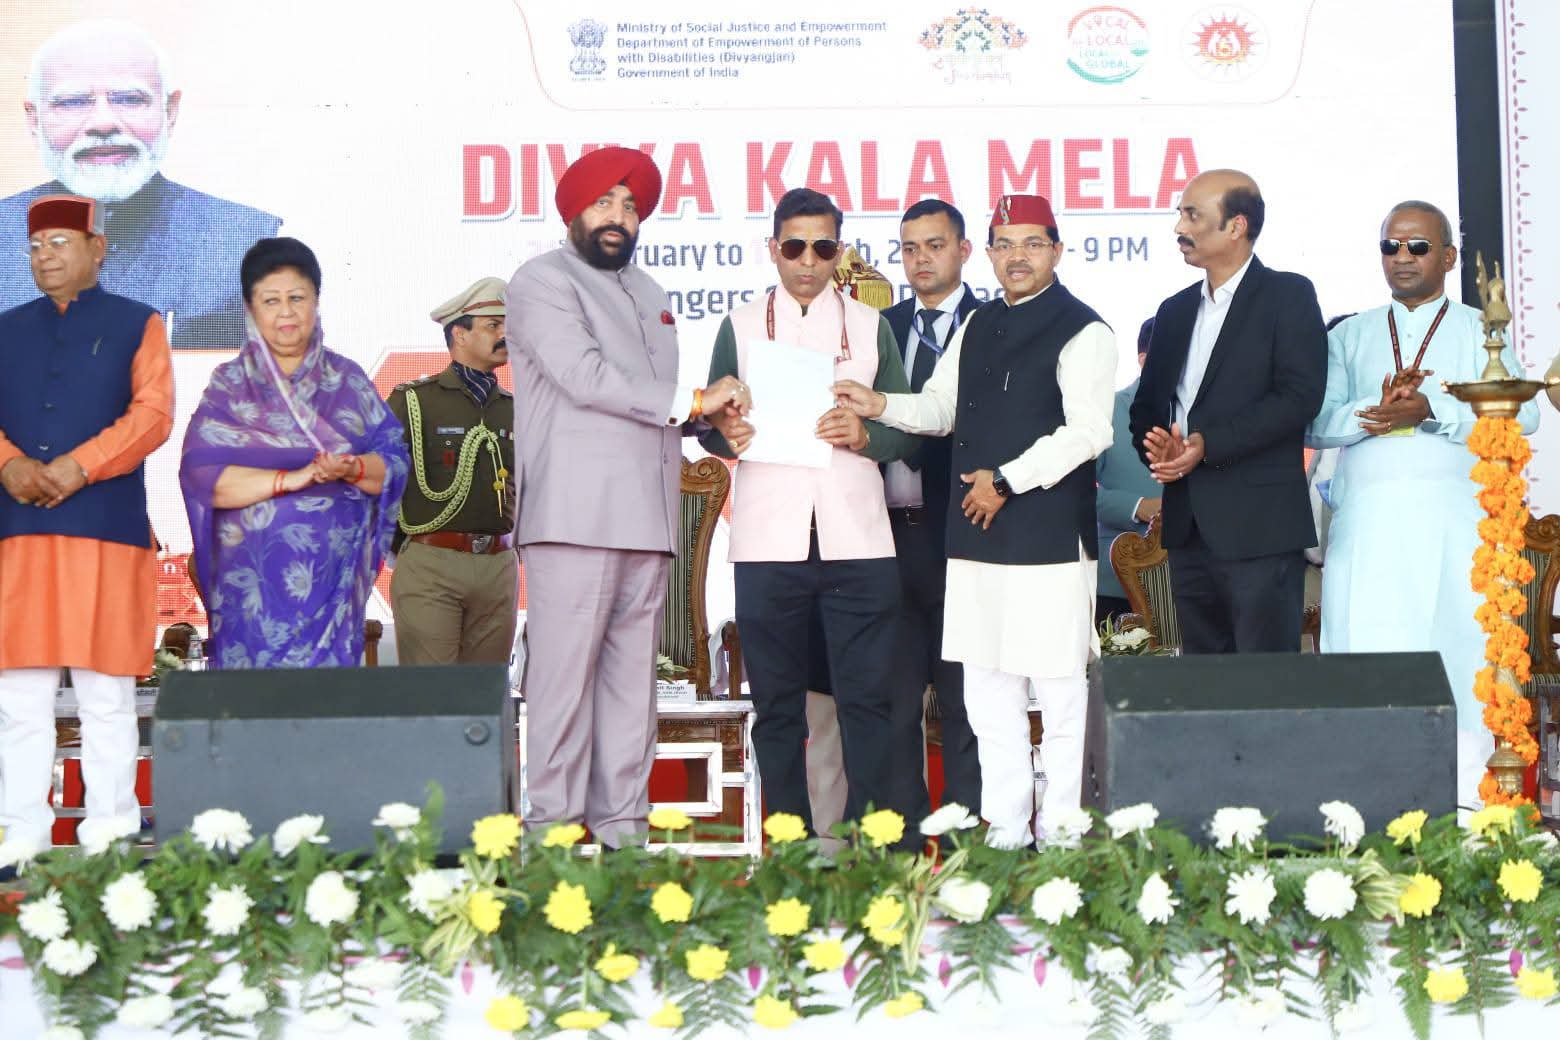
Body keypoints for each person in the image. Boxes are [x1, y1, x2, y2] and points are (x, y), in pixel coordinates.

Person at [833, 193, 1116, 848]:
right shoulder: (980, 323)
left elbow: (1089, 432)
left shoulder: (1085, 330)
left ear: (1057, 250)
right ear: (987, 253)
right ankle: (1007, 836)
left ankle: (1064, 840)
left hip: (1046, 542)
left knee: (1060, 697)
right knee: (988, 697)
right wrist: (879, 403)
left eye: (1033, 243)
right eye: (1005, 244)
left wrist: (1007, 480)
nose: (1018, 257)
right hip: (976, 538)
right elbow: (939, 408)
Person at [506, 147, 749, 848]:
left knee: (630, 693)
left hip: (649, 517)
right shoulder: (541, 281)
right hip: (574, 519)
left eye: (630, 206)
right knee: (562, 690)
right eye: (603, 203)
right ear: (573, 212)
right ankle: (551, 844)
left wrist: (708, 423)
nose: (618, 217)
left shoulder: (651, 292)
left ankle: (623, 839)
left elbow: (654, 405)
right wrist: (694, 400)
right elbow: (585, 377)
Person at [700, 187, 925, 840]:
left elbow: (909, 433)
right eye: (794, 246)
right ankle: (791, 849)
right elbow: (711, 425)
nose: (807, 261)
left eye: (822, 247)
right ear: (773, 249)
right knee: (777, 708)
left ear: (839, 252)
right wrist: (725, 434)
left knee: (868, 705)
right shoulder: (740, 325)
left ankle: (870, 849)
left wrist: (867, 435)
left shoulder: (871, 326)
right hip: (768, 542)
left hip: (858, 541)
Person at [1307, 201, 1540, 804]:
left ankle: (1467, 804)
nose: (1402, 258)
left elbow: (1526, 415)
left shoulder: (1478, 330)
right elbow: (1316, 424)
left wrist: (1433, 412)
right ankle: (1365, 803)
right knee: (1366, 646)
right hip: (1368, 528)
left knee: (1456, 647)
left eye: (1417, 246)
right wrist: (1376, 413)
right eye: (1391, 246)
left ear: (1449, 256)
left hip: (1454, 527)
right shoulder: (1349, 335)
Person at [0, 194, 173, 853]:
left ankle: (110, 836)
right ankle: (21, 840)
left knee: (106, 695)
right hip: (19, 534)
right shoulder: (6, 327)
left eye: (59, 243)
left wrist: (83, 464)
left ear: (97, 248)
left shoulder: (138, 322)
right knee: (20, 698)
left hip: (105, 531)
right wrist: (9, 464)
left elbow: (153, 414)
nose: (44, 257)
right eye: (35, 247)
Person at [179, 238, 409, 669]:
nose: (286, 312)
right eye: (271, 300)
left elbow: (394, 463)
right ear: (251, 309)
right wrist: (292, 479)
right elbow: (202, 476)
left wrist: (352, 467)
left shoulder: (349, 381)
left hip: (333, 596)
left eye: (297, 298)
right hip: (250, 599)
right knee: (254, 706)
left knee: (325, 706)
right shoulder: (229, 386)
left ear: (316, 301)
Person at [1129, 169, 1327, 653]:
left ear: (1237, 226)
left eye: (1193, 215)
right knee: (1205, 681)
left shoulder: (1288, 295)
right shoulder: (1173, 310)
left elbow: (1299, 397)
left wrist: (1207, 445)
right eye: (1180, 214)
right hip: (1187, 528)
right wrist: (1159, 449)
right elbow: (1146, 408)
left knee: (1263, 681)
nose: (1179, 227)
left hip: (1260, 529)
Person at [0, 20, 280, 347]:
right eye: (73, 102)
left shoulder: (247, 244)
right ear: (34, 120)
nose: (103, 123)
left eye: (130, 100)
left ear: (170, 111)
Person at [877, 198, 984, 816]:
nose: (921, 259)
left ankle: (968, 831)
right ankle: (902, 837)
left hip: (965, 533)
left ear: (964, 250)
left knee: (967, 696)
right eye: (910, 248)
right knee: (894, 700)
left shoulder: (995, 325)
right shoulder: (877, 328)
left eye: (935, 246)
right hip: (885, 536)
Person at [386, 278, 517, 666]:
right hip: (432, 561)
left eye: (508, 325)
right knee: (435, 694)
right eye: (493, 325)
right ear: (459, 334)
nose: (505, 334)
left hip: (498, 563)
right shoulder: (413, 400)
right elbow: (379, 481)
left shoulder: (515, 407)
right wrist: (405, 550)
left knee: (484, 694)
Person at [1095, 318, 1161, 622]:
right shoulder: (1106, 411)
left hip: (1198, 581)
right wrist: (1137, 506)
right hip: (1118, 582)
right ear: (1143, 360)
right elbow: (1075, 492)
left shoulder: (1206, 413)